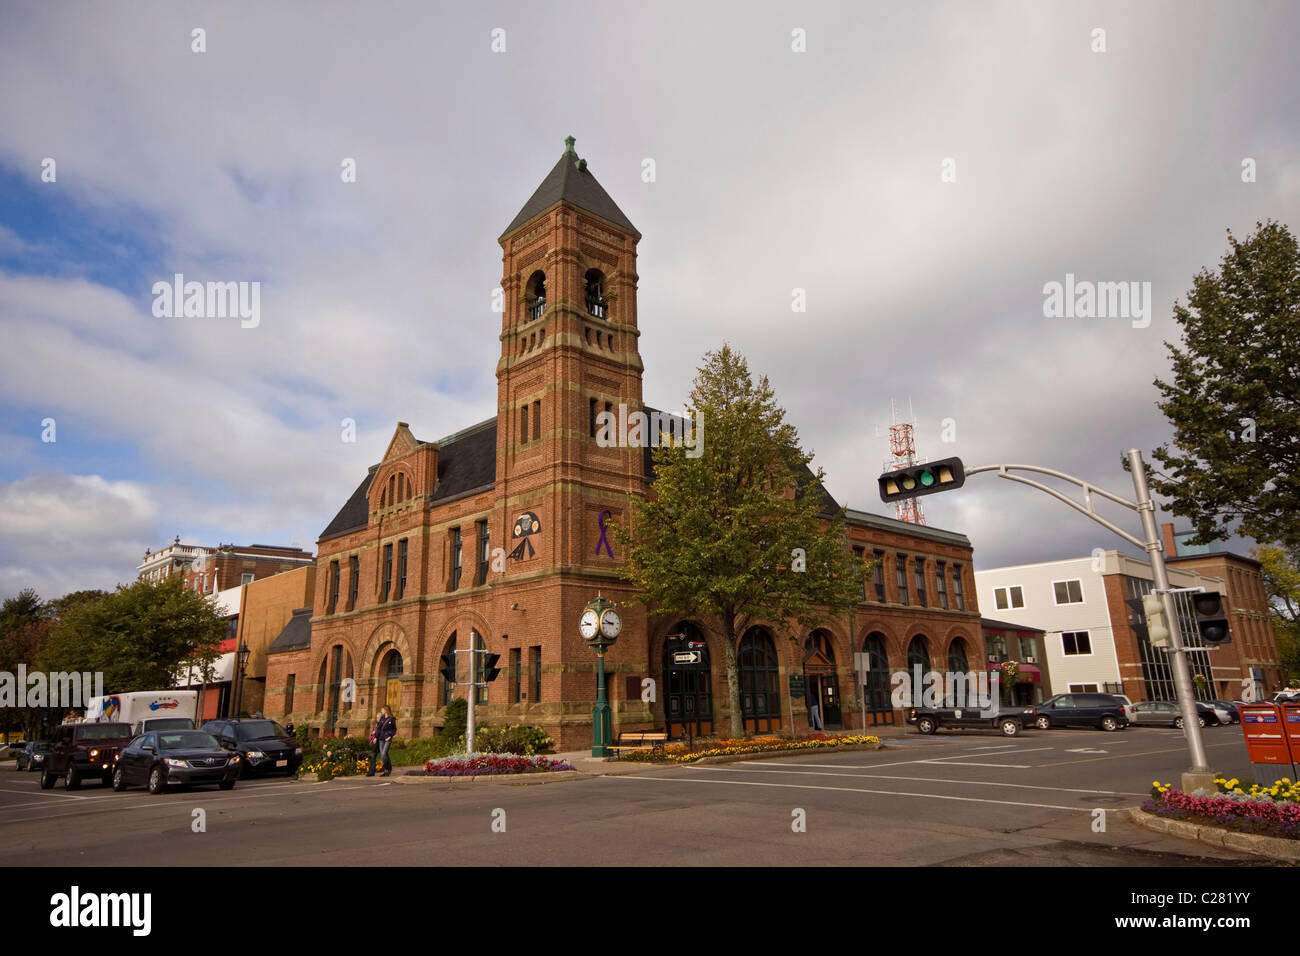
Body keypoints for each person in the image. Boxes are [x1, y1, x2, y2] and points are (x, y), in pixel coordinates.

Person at [366, 706, 397, 777]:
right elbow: (379, 729)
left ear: (386, 710)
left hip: (387, 739)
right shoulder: (382, 718)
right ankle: (386, 770)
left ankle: (388, 769)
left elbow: (394, 729)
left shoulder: (391, 719)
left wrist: (390, 735)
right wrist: (375, 737)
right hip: (381, 738)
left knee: (383, 754)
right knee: (384, 755)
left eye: (382, 710)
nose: (381, 711)